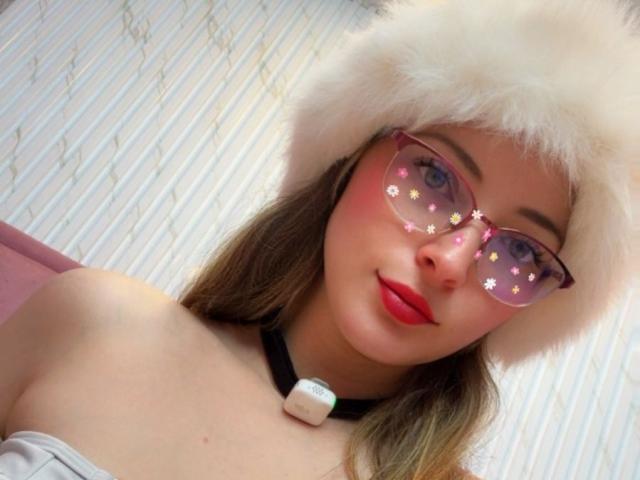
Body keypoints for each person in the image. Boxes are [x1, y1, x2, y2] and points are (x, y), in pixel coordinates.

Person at [1, 0, 638, 479]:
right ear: (347, 158)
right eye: (434, 178)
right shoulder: (91, 320)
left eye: (521, 252)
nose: (449, 261)